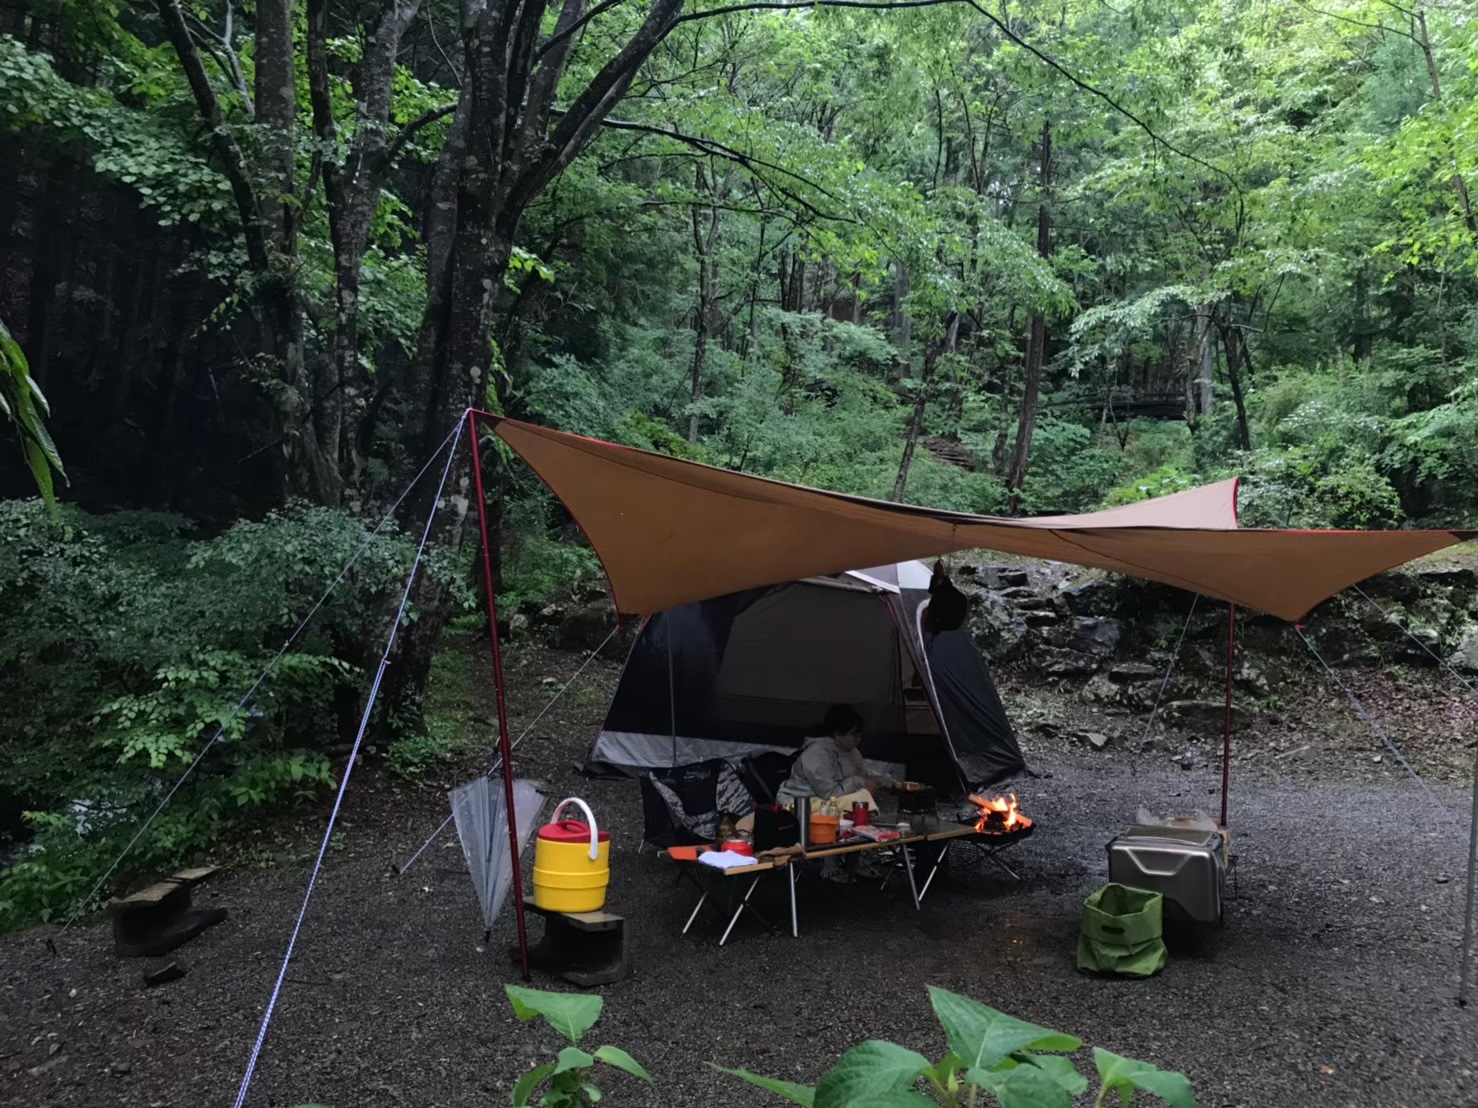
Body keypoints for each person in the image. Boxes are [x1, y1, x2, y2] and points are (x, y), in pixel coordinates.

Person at [778, 704, 897, 883]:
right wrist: (859, 783)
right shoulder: (817, 753)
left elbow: (864, 772)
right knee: (859, 800)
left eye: (859, 734)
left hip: (827, 799)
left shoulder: (850, 750)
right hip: (799, 804)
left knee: (859, 804)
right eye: (854, 734)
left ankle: (854, 862)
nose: (858, 739)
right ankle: (830, 866)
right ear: (837, 735)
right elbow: (828, 792)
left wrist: (892, 783)